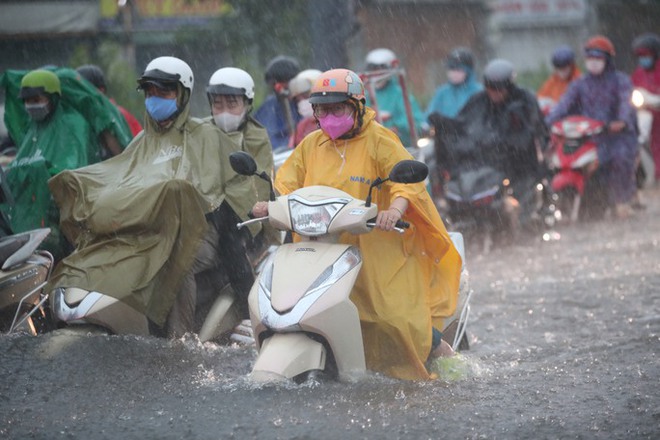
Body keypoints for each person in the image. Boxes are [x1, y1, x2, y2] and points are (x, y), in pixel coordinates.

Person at [251, 68, 462, 381]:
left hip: (375, 242)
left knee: (393, 319)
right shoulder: (311, 144)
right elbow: (287, 180)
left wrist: (394, 209)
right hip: (319, 243)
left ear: (357, 106)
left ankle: (441, 354)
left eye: (337, 108)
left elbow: (406, 183)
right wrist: (271, 203)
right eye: (321, 110)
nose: (328, 116)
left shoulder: (380, 139)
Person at [47, 56, 256, 338]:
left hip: (199, 233)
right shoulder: (139, 143)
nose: (155, 98)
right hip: (148, 233)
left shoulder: (206, 136)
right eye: (150, 92)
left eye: (165, 92)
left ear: (182, 94)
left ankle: (178, 344)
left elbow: (224, 202)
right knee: (84, 263)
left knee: (175, 263)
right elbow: (118, 183)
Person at [0, 69, 97, 260]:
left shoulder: (72, 124)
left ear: (52, 97)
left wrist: (43, 172)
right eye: (27, 101)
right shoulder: (32, 129)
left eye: (37, 99)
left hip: (64, 217)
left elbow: (72, 169)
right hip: (34, 219)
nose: (31, 106)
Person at [546, 35, 638, 219]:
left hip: (616, 136)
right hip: (587, 136)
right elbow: (563, 106)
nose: (594, 62)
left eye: (598, 58)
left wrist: (619, 122)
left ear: (608, 60)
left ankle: (622, 201)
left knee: (618, 159)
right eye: (590, 58)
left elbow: (625, 105)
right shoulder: (580, 84)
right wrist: (547, 123)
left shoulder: (620, 81)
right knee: (562, 158)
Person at [451, 59, 548, 231]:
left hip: (521, 165)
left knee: (526, 211)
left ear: (509, 87)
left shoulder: (525, 101)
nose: (494, 94)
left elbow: (535, 130)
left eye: (498, 89)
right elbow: (462, 125)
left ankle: (527, 224)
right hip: (488, 163)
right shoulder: (479, 101)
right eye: (490, 89)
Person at [205, 66, 280, 270]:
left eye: (232, 103)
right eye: (217, 104)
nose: (224, 112)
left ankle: (244, 298)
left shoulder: (256, 137)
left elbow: (262, 187)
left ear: (247, 104)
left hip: (245, 222)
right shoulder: (200, 134)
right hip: (203, 218)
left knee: (236, 255)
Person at [363, 48, 424, 148]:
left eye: (380, 70)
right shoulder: (365, 95)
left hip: (401, 148)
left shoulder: (401, 94)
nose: (376, 74)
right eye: (373, 70)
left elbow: (415, 122)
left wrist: (396, 129)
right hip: (372, 148)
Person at [76, 64, 143, 138]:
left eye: (83, 90)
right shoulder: (77, 117)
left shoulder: (120, 116)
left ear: (101, 90)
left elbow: (141, 144)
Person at [253, 55, 301, 150]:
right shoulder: (267, 108)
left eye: (282, 82)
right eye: (273, 83)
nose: (277, 87)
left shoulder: (305, 106)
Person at [631, 33, 660, 182]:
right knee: (645, 142)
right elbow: (632, 90)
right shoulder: (638, 73)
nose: (643, 58)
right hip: (646, 115)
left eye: (646, 55)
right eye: (640, 55)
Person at [426, 47, 483, 119]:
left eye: (459, 70)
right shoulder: (442, 93)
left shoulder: (479, 92)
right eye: (451, 69)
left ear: (469, 72)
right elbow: (429, 120)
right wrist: (431, 130)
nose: (454, 74)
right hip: (446, 130)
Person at [537, 45, 582, 112]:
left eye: (564, 69)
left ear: (571, 66)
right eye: (558, 69)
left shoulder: (579, 80)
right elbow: (540, 98)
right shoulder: (553, 80)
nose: (561, 72)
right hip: (553, 115)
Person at [288, 68, 323, 146]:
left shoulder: (334, 121)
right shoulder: (302, 126)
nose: (302, 102)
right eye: (297, 99)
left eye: (306, 95)